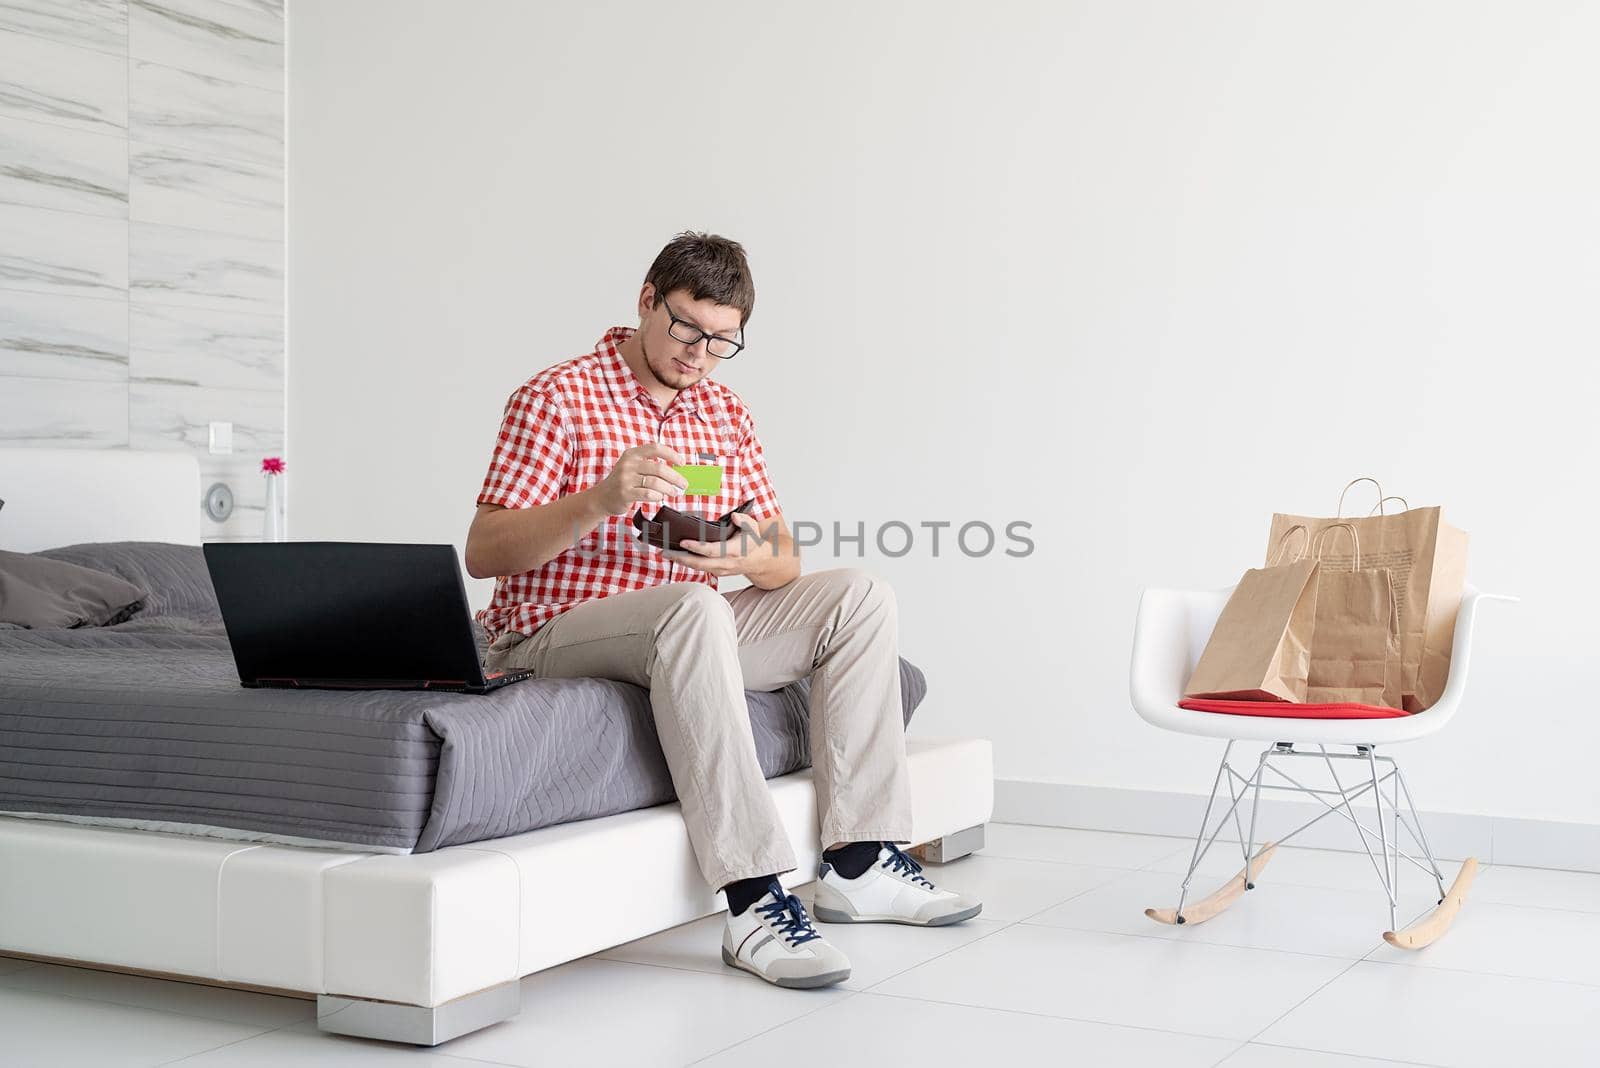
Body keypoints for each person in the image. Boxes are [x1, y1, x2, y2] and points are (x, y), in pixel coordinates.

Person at [464, 232, 980, 989]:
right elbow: (485, 550)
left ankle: (862, 864)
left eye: (721, 341)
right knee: (689, 611)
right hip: (550, 627)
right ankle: (750, 898)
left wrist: (742, 558)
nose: (699, 354)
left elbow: (784, 555)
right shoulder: (557, 397)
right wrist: (601, 499)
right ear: (647, 301)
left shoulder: (723, 412)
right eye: (686, 328)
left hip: (684, 623)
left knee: (860, 595)